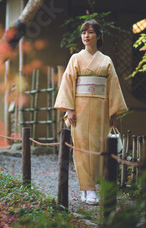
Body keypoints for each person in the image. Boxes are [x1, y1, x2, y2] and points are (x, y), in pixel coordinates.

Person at [54, 19, 128, 205]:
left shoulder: (106, 61)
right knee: (81, 149)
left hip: (101, 110)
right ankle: (86, 189)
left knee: (98, 148)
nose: (86, 36)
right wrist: (69, 109)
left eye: (90, 32)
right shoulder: (76, 59)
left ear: (99, 35)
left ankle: (92, 186)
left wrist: (113, 113)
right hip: (80, 109)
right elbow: (68, 84)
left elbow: (113, 87)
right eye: (83, 32)